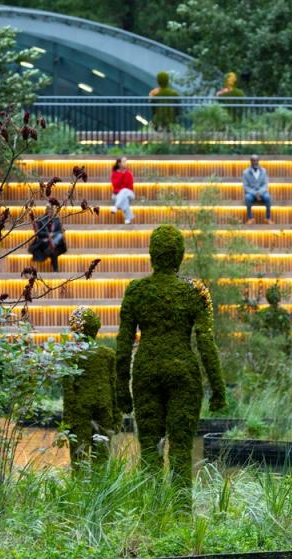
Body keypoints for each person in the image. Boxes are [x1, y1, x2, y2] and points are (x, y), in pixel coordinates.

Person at [116, 226, 226, 499]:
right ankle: (180, 511)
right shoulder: (194, 292)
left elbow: (123, 342)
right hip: (183, 375)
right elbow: (204, 342)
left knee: (150, 448)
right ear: (180, 255)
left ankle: (152, 509)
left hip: (146, 372)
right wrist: (218, 388)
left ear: (152, 254)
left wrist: (121, 388)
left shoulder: (136, 291)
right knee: (180, 449)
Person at [62, 307, 115, 466]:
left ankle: (78, 489)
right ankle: (102, 490)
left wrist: (67, 421)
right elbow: (114, 386)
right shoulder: (108, 355)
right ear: (96, 328)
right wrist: (117, 416)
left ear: (74, 330)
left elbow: (68, 391)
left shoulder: (71, 355)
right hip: (104, 409)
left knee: (78, 460)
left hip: (79, 410)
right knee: (102, 458)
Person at [28, 202, 66, 272]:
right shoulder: (41, 220)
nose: (51, 211)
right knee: (53, 250)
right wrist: (47, 235)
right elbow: (38, 232)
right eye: (49, 210)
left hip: (54, 241)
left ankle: (55, 267)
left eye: (52, 210)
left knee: (58, 239)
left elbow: (60, 232)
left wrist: (52, 234)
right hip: (44, 241)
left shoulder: (56, 220)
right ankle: (55, 269)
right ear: (46, 210)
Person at [242, 155, 273, 224]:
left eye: (256, 160)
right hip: (251, 193)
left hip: (262, 192)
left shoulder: (264, 171)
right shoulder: (245, 172)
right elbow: (246, 186)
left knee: (268, 197)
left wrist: (259, 192)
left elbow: (265, 184)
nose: (255, 162)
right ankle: (251, 218)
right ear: (251, 162)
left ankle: (268, 218)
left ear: (258, 161)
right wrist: (255, 193)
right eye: (253, 160)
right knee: (247, 198)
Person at [111, 157, 135, 224]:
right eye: (124, 162)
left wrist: (122, 189)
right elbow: (115, 186)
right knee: (124, 199)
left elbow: (130, 187)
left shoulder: (129, 173)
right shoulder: (114, 174)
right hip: (117, 195)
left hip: (129, 193)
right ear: (119, 163)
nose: (126, 163)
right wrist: (122, 174)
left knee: (124, 190)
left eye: (126, 161)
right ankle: (128, 218)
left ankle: (116, 206)